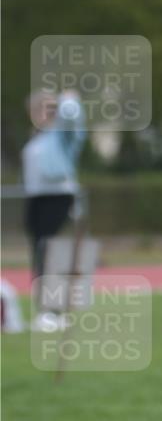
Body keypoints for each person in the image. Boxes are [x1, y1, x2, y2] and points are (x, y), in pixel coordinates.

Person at [22, 89, 86, 329]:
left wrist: (67, 99)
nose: (43, 112)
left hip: (57, 196)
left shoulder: (63, 134)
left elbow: (72, 116)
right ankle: (46, 310)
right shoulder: (38, 136)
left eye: (49, 107)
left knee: (48, 249)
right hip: (36, 197)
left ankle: (54, 310)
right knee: (39, 250)